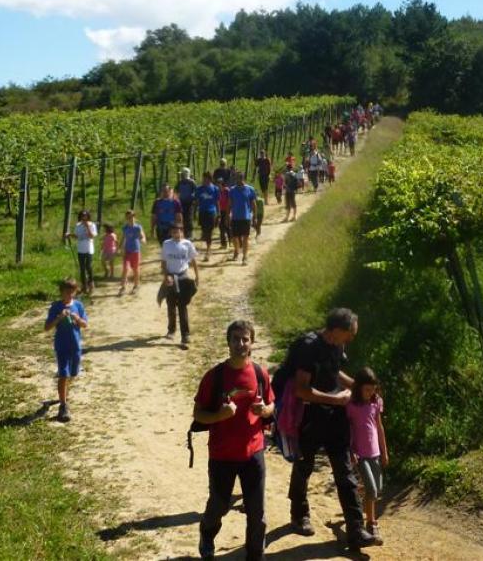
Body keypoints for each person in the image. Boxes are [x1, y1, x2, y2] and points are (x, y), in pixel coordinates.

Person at [286, 308, 377, 551]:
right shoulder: (309, 347)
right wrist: (335, 400)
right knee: (304, 465)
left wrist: (360, 390)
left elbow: (334, 372)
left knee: (345, 471)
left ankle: (356, 529)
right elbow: (301, 389)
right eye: (350, 334)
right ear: (337, 330)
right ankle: (298, 513)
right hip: (310, 415)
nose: (351, 339)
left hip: (334, 416)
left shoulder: (337, 345)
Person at [194, 320, 276, 561]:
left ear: (252, 342)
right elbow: (198, 413)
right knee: (218, 507)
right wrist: (219, 415)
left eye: (245, 339)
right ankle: (207, 534)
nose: (240, 343)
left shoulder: (260, 374)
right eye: (236, 339)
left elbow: (272, 405)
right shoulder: (214, 376)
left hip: (253, 452)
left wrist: (266, 411)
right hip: (222, 455)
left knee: (257, 513)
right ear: (228, 342)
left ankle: (255, 556)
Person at [346, 367, 388, 542]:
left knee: (376, 490)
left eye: (373, 390)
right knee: (372, 490)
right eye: (367, 390)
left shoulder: (375, 402)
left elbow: (379, 427)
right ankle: (372, 523)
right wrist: (350, 451)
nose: (370, 393)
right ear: (359, 388)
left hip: (375, 453)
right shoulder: (351, 405)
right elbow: (347, 430)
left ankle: (359, 493)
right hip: (360, 454)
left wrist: (384, 452)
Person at [44, 277, 88, 423]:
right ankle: (63, 406)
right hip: (61, 346)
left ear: (74, 292)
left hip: (75, 346)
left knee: (72, 373)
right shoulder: (56, 306)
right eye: (65, 292)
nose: (68, 296)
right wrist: (58, 318)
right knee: (63, 374)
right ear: (61, 292)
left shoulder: (78, 306)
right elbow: (47, 327)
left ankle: (63, 396)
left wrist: (77, 319)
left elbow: (85, 324)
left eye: (71, 293)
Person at [158, 220, 199, 347]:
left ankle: (185, 335)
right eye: (175, 231)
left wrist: (197, 276)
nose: (178, 234)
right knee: (170, 304)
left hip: (183, 277)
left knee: (182, 306)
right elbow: (163, 263)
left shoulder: (187, 244)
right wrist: (166, 276)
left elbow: (193, 261)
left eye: (180, 231)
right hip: (171, 277)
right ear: (171, 233)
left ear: (182, 232)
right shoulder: (166, 244)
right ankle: (171, 330)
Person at [229, 173, 258, 264]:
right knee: (234, 237)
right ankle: (236, 251)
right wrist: (227, 215)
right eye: (237, 178)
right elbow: (229, 204)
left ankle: (245, 257)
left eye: (240, 178)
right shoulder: (232, 190)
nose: (239, 180)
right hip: (235, 217)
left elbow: (253, 204)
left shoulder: (250, 189)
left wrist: (255, 217)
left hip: (246, 217)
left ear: (243, 178)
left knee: (245, 237)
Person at [67, 210, 97, 294]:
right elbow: (77, 236)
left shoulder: (92, 225)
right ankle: (84, 286)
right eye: (82, 216)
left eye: (85, 215)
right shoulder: (78, 225)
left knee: (88, 266)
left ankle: (91, 283)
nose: (84, 217)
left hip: (89, 249)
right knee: (82, 268)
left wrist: (87, 227)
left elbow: (92, 236)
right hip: (80, 249)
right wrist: (70, 235)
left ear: (88, 216)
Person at [118, 209, 146, 295]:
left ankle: (136, 286)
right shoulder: (125, 228)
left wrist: (143, 240)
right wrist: (119, 248)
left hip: (136, 251)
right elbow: (123, 238)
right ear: (126, 218)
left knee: (135, 270)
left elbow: (142, 236)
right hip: (127, 251)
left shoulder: (138, 227)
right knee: (125, 269)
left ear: (134, 217)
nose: (130, 218)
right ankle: (123, 287)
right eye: (128, 217)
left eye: (132, 216)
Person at [194, 172, 220, 259]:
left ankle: (208, 251)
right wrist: (195, 212)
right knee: (204, 231)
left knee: (209, 232)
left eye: (205, 179)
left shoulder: (215, 189)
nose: (204, 180)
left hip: (211, 212)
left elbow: (217, 202)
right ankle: (207, 246)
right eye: (203, 179)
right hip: (202, 212)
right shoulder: (199, 189)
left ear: (210, 179)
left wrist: (218, 214)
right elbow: (197, 201)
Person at [177, 167, 198, 235]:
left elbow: (196, 192)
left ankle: (189, 233)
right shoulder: (180, 182)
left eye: (182, 174)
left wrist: (193, 197)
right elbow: (176, 191)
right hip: (181, 202)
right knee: (182, 218)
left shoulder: (192, 182)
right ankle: (183, 232)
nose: (181, 175)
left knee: (189, 218)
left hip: (189, 203)